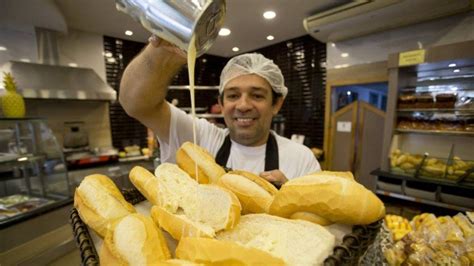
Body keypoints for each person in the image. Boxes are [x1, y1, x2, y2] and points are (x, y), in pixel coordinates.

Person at [119, 36, 320, 187]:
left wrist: (289, 199)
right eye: (233, 95)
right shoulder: (199, 138)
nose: (243, 105)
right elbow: (136, 103)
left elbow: (323, 230)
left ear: (276, 104)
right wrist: (161, 51)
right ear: (221, 105)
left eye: (257, 95)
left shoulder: (301, 159)